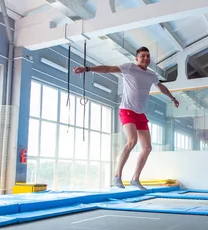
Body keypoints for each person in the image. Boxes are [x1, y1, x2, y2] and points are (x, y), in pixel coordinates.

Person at [74, 46, 179, 190]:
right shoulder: (129, 68)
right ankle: (117, 175)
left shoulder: (152, 75)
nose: (146, 58)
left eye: (148, 56)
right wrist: (87, 68)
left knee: (147, 148)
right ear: (136, 59)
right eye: (142, 56)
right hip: (127, 110)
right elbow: (107, 69)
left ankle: (135, 179)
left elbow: (161, 87)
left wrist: (172, 98)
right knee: (132, 140)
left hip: (140, 114)